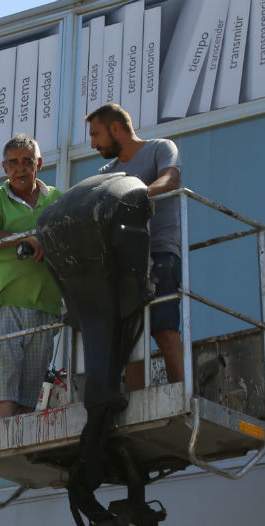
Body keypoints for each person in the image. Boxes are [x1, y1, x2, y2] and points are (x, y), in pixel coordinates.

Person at [85, 102, 185, 389]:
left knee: (164, 329)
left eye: (96, 135)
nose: (93, 144)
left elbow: (170, 179)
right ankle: (135, 397)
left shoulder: (161, 148)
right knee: (130, 336)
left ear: (115, 128)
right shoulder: (108, 171)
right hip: (125, 260)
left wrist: (134, 197)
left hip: (160, 252)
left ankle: (180, 392)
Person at [0, 134, 63, 418]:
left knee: (35, 374)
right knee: (5, 363)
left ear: (39, 164)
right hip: (6, 297)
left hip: (46, 302)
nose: (20, 168)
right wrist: (24, 239)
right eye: (13, 163)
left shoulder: (56, 198)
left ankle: (23, 429)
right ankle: (7, 429)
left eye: (26, 162)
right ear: (4, 167)